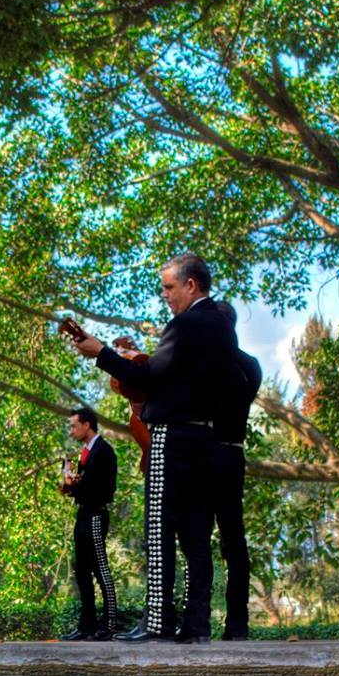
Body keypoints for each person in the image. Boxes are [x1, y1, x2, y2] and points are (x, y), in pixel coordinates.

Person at [67, 253, 243, 642]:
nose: (164, 294)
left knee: (160, 527)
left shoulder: (187, 323)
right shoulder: (221, 326)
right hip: (207, 440)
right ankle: (196, 624)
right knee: (197, 533)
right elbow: (175, 377)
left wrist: (102, 354)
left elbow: (144, 378)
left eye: (168, 287)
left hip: (173, 437)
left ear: (191, 285)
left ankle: (158, 620)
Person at [209, 306, 262, 640]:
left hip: (208, 453)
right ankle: (237, 621)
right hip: (234, 455)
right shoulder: (251, 364)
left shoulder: (208, 363)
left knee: (198, 536)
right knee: (233, 536)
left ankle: (198, 617)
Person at [60, 407, 118, 639]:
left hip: (96, 514)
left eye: (74, 425)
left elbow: (103, 488)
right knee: (81, 571)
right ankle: (87, 626)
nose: (72, 430)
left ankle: (110, 624)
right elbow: (79, 486)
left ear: (87, 425)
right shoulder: (85, 453)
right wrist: (70, 485)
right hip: (82, 515)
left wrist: (76, 484)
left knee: (100, 569)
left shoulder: (104, 451)